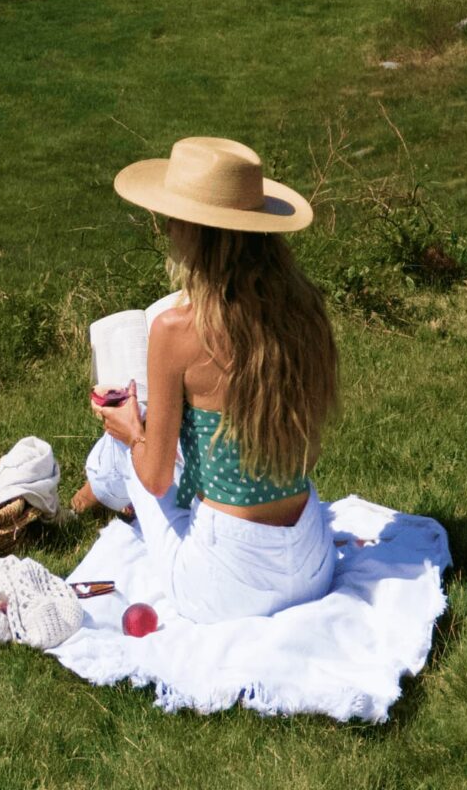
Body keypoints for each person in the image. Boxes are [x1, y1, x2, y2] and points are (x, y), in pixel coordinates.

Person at [77, 136, 339, 624]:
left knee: (125, 452)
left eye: (173, 218)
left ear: (196, 232)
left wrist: (132, 430)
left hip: (227, 586)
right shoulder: (304, 311)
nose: (167, 228)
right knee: (175, 444)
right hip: (311, 559)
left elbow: (155, 479)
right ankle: (86, 492)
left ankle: (81, 496)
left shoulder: (176, 329)